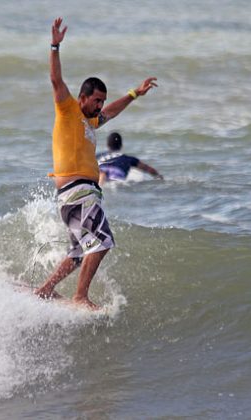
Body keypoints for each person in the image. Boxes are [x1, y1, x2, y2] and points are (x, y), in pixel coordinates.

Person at [34, 17, 157, 308]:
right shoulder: (67, 111)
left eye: (102, 101)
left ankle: (45, 289)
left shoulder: (89, 122)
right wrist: (54, 46)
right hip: (78, 191)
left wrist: (133, 94)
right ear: (83, 97)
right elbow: (55, 80)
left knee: (78, 252)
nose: (100, 106)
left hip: (74, 195)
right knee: (102, 242)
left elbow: (112, 113)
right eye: (97, 100)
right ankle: (80, 296)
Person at [97, 132, 163, 185]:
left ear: (107, 145)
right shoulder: (127, 158)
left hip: (100, 171)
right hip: (116, 173)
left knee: (101, 175)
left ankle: (102, 178)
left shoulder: (98, 156)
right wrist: (159, 176)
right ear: (121, 146)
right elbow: (148, 169)